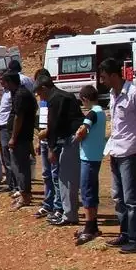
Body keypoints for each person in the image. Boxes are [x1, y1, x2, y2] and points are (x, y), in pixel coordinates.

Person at [99, 57, 136, 254]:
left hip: (129, 151)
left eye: (104, 77)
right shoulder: (113, 95)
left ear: (114, 75)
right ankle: (125, 233)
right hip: (115, 150)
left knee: (131, 198)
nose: (102, 81)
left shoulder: (134, 93)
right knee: (118, 196)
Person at [41, 75, 86, 228]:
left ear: (45, 88)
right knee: (68, 178)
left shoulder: (54, 99)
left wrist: (51, 148)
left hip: (70, 140)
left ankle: (70, 215)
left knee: (66, 179)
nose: (40, 97)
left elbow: (53, 125)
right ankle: (70, 213)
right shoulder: (66, 95)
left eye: (40, 93)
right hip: (74, 138)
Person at [73, 85, 107, 244]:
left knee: (86, 191)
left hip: (88, 157)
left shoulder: (92, 113)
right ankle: (92, 225)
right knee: (92, 190)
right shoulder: (101, 112)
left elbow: (82, 131)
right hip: (96, 155)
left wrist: (76, 138)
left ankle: (89, 226)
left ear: (85, 99)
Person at [3, 70, 37, 210]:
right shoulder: (19, 93)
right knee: (19, 165)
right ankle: (24, 193)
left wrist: (13, 137)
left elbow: (19, 117)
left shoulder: (21, 95)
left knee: (20, 166)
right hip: (22, 136)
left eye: (4, 82)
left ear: (10, 82)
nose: (2, 84)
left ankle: (25, 196)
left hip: (20, 137)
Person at [33, 71, 61, 220]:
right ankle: (48, 203)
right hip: (43, 141)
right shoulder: (42, 100)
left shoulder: (54, 99)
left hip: (52, 142)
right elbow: (42, 123)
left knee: (55, 175)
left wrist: (48, 140)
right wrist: (39, 141)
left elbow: (53, 124)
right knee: (46, 175)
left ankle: (58, 206)